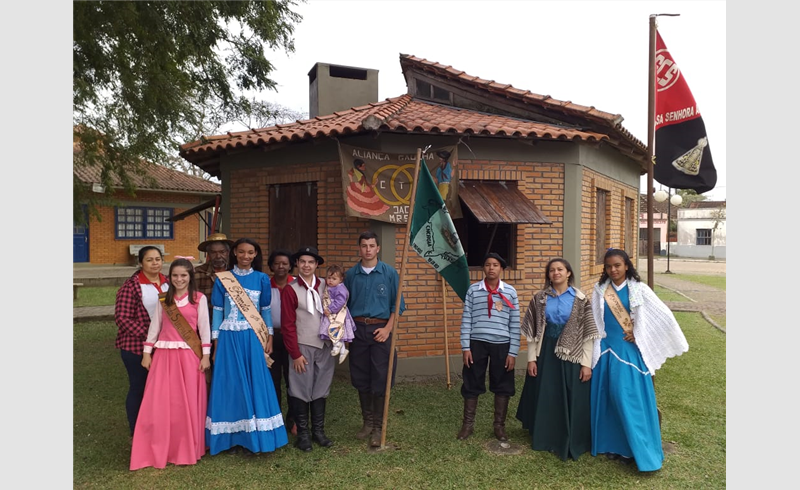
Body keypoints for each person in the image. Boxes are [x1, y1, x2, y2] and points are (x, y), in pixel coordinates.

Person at [590, 248, 689, 472]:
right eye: (608, 266)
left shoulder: (639, 289)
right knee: (607, 398)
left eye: (617, 265)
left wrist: (640, 332)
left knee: (627, 399)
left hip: (628, 352)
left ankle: (634, 449)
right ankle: (612, 445)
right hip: (605, 349)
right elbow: (595, 320)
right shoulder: (599, 290)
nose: (613, 269)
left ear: (626, 265)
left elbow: (663, 316)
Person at [205, 238, 288, 455]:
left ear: (255, 255)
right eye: (241, 252)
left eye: (250, 252)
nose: (246, 256)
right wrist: (215, 343)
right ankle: (231, 438)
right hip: (228, 337)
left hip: (253, 337)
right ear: (235, 252)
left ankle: (255, 436)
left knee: (255, 383)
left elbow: (266, 311)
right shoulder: (223, 279)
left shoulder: (261, 279)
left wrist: (268, 337)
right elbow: (217, 312)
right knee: (231, 385)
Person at [515, 258, 600, 461]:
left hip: (572, 354)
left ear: (568, 273)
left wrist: (586, 364)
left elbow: (587, 334)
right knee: (547, 394)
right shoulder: (540, 298)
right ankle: (546, 436)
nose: (556, 273)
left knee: (572, 394)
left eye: (560, 269)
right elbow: (532, 333)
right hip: (546, 353)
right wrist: (531, 359)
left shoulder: (580, 299)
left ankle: (573, 438)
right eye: (552, 270)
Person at [130, 258, 211, 470]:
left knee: (186, 404)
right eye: (175, 275)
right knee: (160, 402)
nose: (179, 279)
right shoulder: (163, 299)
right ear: (170, 277)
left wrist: (205, 356)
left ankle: (185, 448)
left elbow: (204, 329)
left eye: (184, 275)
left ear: (190, 276)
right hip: (164, 356)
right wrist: (147, 353)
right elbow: (154, 327)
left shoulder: (198, 298)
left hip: (189, 357)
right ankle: (158, 447)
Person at [344, 231, 405, 448]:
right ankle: (367, 422)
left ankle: (379, 427)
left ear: (378, 248)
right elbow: (343, 306)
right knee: (361, 375)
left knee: (381, 377)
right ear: (359, 249)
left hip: (381, 330)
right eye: (364, 246)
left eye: (371, 245)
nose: (368, 249)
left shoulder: (389, 273)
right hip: (358, 329)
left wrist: (388, 329)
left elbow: (397, 306)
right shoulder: (351, 275)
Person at [457, 253, 520, 442]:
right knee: (471, 382)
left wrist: (513, 351)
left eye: (495, 265)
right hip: (477, 343)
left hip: (502, 344)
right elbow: (466, 318)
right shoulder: (473, 290)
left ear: (501, 269)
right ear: (483, 268)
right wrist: (465, 347)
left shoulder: (510, 292)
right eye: (487, 264)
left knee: (503, 384)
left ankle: (499, 426)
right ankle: (468, 425)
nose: (491, 268)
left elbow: (515, 323)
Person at [280, 246, 335, 451]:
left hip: (324, 345)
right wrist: (295, 353)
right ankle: (302, 434)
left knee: (321, 388)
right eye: (302, 261)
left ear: (317, 265)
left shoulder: (325, 286)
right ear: (297, 264)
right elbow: (287, 325)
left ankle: (318, 431)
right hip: (302, 346)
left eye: (310, 262)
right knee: (300, 389)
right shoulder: (291, 289)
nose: (306, 265)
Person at [115, 245, 169, 436]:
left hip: (164, 347)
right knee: (139, 386)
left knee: (159, 388)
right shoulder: (131, 286)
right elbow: (122, 318)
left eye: (158, 259)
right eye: (149, 260)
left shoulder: (169, 283)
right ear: (140, 263)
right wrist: (150, 334)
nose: (155, 263)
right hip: (135, 347)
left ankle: (156, 425)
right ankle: (136, 428)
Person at [194, 232, 234, 387]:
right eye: (214, 252)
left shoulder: (235, 273)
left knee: (229, 370)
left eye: (222, 252)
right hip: (205, 331)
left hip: (232, 330)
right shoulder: (197, 273)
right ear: (208, 254)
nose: (218, 256)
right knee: (207, 371)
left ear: (228, 252)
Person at [267, 249, 297, 436]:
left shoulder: (296, 285)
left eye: (284, 263)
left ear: (290, 266)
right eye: (277, 263)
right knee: (273, 380)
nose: (281, 267)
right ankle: (275, 419)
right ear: (271, 266)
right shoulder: (265, 284)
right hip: (270, 338)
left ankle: (293, 420)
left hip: (291, 337)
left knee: (293, 381)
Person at [319, 264, 356, 364]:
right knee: (338, 331)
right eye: (329, 278)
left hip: (338, 313)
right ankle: (343, 350)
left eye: (334, 278)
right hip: (333, 312)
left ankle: (337, 344)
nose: (330, 280)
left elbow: (340, 302)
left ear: (341, 279)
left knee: (335, 328)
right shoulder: (330, 287)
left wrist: (330, 309)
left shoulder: (340, 289)